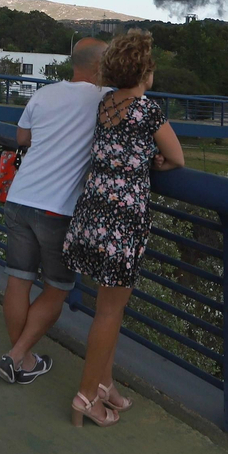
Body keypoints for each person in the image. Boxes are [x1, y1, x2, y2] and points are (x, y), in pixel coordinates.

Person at [61, 29, 185, 427]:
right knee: (109, 314)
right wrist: (155, 164)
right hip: (122, 221)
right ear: (145, 71)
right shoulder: (147, 111)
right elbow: (177, 158)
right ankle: (85, 397)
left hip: (92, 212)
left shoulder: (106, 106)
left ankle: (105, 385)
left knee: (104, 309)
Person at [0, 37, 108, 385]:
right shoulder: (105, 99)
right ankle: (16, 356)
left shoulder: (44, 93)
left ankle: (25, 359)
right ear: (100, 67)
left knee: (18, 280)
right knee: (57, 288)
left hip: (20, 197)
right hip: (57, 209)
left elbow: (22, 137)